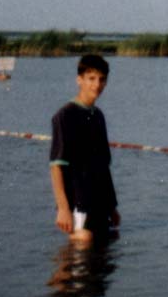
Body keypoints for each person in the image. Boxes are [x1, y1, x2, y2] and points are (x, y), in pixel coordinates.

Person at [49, 54, 119, 243]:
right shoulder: (65, 115)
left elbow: (104, 165)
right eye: (91, 78)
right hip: (77, 200)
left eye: (102, 79)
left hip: (99, 200)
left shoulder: (98, 116)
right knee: (83, 241)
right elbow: (56, 166)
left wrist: (112, 206)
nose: (97, 85)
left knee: (105, 246)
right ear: (79, 80)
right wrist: (63, 208)